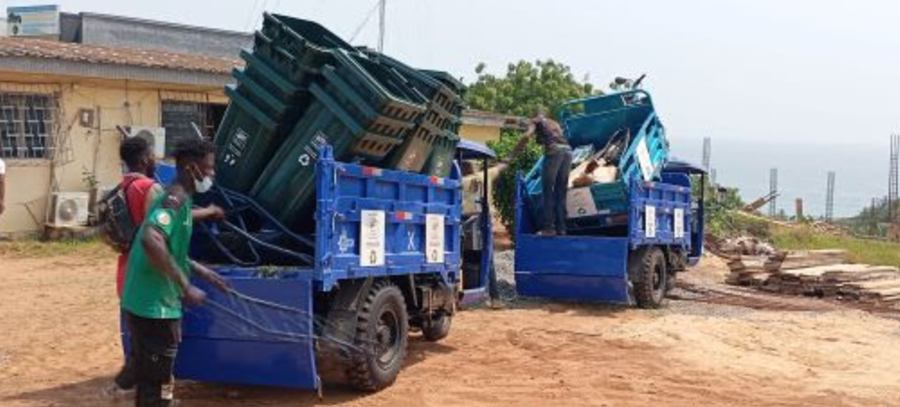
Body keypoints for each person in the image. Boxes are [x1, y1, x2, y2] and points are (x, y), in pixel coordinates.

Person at [121, 138, 228, 407]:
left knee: (152, 377)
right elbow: (151, 239)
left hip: (151, 300)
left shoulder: (181, 199)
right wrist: (186, 286)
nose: (211, 174)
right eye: (208, 168)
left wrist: (203, 272)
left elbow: (171, 250)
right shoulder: (175, 198)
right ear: (191, 168)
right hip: (152, 304)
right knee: (155, 384)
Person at [508, 109, 573, 236]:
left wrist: (511, 155)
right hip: (568, 151)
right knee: (560, 192)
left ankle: (549, 228)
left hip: (554, 151)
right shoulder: (553, 123)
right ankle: (561, 229)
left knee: (547, 192)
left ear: (533, 116)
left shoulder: (535, 121)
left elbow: (526, 136)